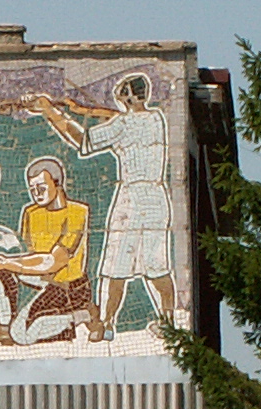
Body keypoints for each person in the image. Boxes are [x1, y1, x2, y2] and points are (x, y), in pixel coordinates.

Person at [25, 74, 176, 337]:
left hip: (132, 198)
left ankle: (105, 324)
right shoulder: (156, 118)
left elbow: (83, 140)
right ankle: (169, 322)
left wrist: (50, 111)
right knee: (157, 265)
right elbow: (116, 117)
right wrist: (84, 110)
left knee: (116, 265)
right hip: (157, 198)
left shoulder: (123, 125)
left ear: (128, 96)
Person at [0, 157, 95, 345]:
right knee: (1, 266)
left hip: (68, 286)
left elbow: (54, 262)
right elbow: (30, 256)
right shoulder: (31, 213)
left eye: (41, 188)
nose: (36, 194)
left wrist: (6, 262)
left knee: (23, 335)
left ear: (57, 184)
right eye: (32, 189)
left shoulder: (77, 213)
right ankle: (4, 327)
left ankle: (81, 315)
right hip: (44, 279)